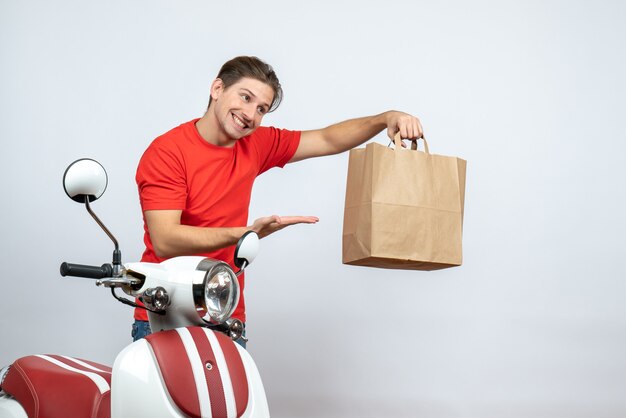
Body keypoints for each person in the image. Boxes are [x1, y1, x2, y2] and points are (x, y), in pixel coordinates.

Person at [132, 56, 423, 345]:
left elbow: (326, 139)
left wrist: (386, 117)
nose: (250, 114)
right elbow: (165, 239)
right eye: (245, 98)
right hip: (165, 313)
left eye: (261, 109)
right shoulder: (168, 152)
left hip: (224, 313)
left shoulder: (256, 143)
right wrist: (245, 234)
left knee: (232, 394)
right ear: (217, 89)